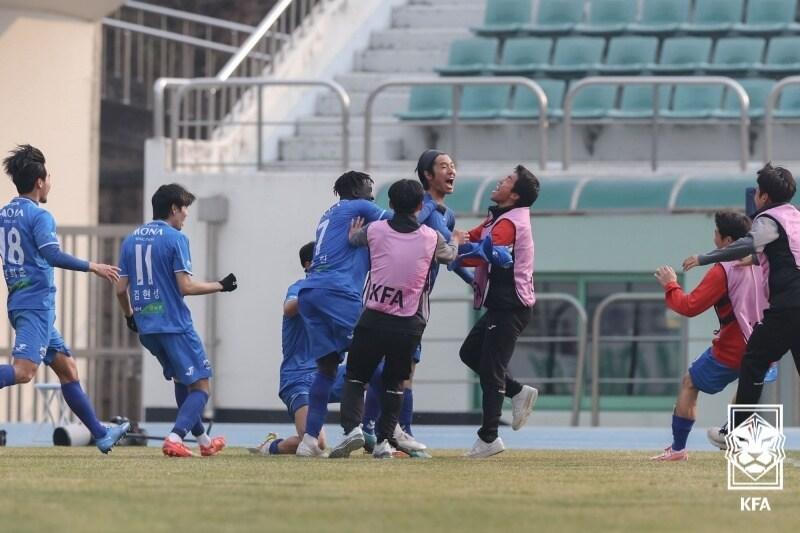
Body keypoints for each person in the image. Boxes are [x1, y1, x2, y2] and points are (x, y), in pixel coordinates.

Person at [0, 144, 129, 453]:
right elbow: (51, 253)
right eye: (49, 177)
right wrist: (92, 266)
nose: (50, 182)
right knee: (24, 372)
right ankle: (99, 432)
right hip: (36, 306)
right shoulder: (39, 216)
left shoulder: (4, 215)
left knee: (67, 369)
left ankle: (100, 433)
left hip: (23, 302)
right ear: (40, 181)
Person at [328, 179, 461, 459]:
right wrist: (457, 240)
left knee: (355, 378)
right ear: (418, 206)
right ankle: (385, 441)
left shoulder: (375, 230)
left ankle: (352, 429)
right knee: (395, 383)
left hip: (373, 317)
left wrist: (354, 233)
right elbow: (448, 257)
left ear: (389, 205)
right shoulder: (431, 237)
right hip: (409, 322)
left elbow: (355, 239)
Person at [361, 149, 472, 455]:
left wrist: (473, 281)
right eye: (443, 166)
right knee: (394, 370)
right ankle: (382, 431)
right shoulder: (420, 206)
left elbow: (448, 254)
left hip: (414, 302)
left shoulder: (446, 214)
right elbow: (406, 223)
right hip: (390, 299)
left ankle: (383, 432)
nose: (451, 171)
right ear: (427, 175)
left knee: (402, 370)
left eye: (453, 165)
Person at [116, 183, 237, 457]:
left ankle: (204, 442)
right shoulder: (175, 239)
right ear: (173, 208)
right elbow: (186, 287)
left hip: (147, 327)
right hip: (174, 325)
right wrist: (220, 285)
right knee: (202, 386)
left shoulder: (131, 239)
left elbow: (120, 289)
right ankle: (174, 437)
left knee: (183, 382)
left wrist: (129, 317)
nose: (186, 215)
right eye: (184, 209)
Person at [683, 163, 800, 429]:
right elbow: (789, 255)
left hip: (789, 306)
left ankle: (735, 431)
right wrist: (759, 260)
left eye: (758, 192)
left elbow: (748, 242)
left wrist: (704, 258)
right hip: (794, 303)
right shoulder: (795, 216)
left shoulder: (768, 218)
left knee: (753, 360)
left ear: (764, 197)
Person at [651, 211, 767, 461]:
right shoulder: (763, 261)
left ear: (726, 240)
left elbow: (690, 306)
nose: (712, 236)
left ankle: (678, 449)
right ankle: (736, 435)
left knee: (690, 383)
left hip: (734, 346)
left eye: (715, 232)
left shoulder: (723, 269)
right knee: (747, 385)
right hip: (766, 342)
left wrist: (671, 284)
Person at [295, 171, 391, 457]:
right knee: (376, 362)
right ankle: (365, 432)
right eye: (368, 189)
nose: (372, 196)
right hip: (337, 291)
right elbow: (402, 223)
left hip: (311, 292)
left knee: (325, 368)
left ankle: (309, 440)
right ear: (355, 189)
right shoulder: (358, 208)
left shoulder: (330, 214)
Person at [458, 165, 540, 458]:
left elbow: (480, 254)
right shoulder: (500, 218)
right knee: (470, 353)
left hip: (510, 307)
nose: (499, 181)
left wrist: (446, 251)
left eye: (506, 180)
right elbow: (471, 237)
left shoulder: (509, 224)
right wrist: (455, 240)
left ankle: (489, 438)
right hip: (501, 307)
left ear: (514, 195)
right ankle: (517, 391)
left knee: (491, 372)